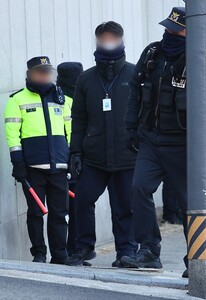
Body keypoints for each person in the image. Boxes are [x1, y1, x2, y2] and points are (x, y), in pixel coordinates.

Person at [121, 7, 188, 272]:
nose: (169, 33)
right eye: (167, 28)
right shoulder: (152, 53)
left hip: (183, 143)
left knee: (189, 203)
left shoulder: (197, 56)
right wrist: (130, 129)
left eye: (176, 29)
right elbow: (135, 93)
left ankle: (197, 257)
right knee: (139, 188)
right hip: (151, 139)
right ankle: (148, 250)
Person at [66, 22, 137, 267]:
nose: (108, 41)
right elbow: (79, 118)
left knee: (124, 206)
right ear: (97, 40)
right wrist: (75, 151)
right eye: (104, 38)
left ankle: (126, 251)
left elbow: (145, 114)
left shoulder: (134, 74)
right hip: (93, 156)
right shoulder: (86, 79)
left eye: (112, 38)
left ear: (121, 39)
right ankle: (83, 248)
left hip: (127, 154)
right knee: (83, 199)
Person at [4, 56, 72, 264]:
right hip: (33, 168)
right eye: (39, 72)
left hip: (59, 167)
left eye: (47, 72)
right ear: (29, 74)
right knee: (35, 213)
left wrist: (73, 158)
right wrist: (18, 164)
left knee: (60, 213)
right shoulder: (17, 100)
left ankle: (60, 254)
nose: (44, 75)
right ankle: (39, 254)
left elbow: (70, 132)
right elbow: (12, 135)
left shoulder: (63, 99)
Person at [56, 62, 84, 257]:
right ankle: (66, 250)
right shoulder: (58, 99)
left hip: (78, 158)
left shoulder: (82, 96)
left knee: (76, 207)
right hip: (66, 159)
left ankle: (75, 249)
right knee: (65, 209)